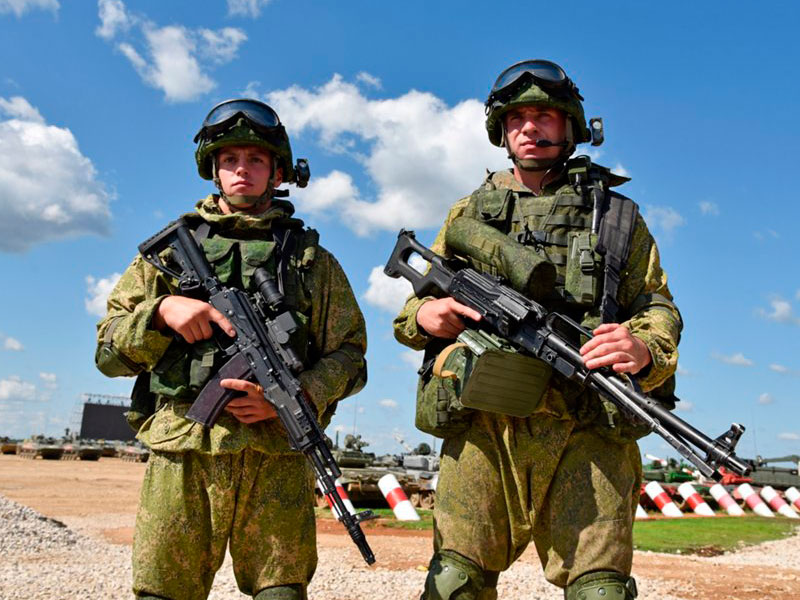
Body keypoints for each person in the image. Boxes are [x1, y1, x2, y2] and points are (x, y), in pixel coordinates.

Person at [393, 60, 682, 600]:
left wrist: (644, 346)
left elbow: (657, 305)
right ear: (501, 131)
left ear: (570, 125)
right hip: (484, 426)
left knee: (600, 591)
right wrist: (426, 317)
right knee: (455, 584)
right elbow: (415, 311)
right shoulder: (469, 214)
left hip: (586, 426)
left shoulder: (616, 216)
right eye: (517, 118)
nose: (530, 127)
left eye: (544, 115)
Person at [95, 98, 367, 600]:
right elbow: (108, 352)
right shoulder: (171, 254)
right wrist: (160, 313)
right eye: (230, 159)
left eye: (256, 159)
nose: (242, 169)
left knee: (281, 592)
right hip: (183, 449)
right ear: (213, 169)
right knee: (161, 593)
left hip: (276, 454)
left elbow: (351, 356)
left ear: (278, 172)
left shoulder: (311, 261)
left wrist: (296, 396)